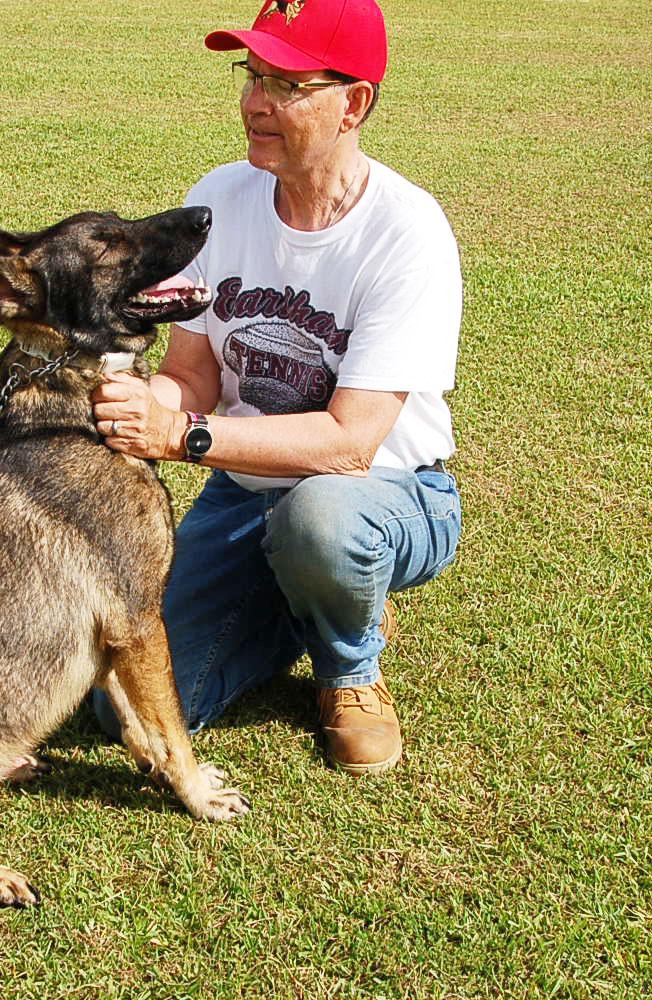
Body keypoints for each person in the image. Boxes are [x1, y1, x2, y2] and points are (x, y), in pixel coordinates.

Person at [90, 0, 462, 774]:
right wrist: (134, 409)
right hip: (244, 490)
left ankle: (349, 665)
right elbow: (191, 374)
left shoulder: (406, 232)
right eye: (251, 75)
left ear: (352, 103)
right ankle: (312, 600)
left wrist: (180, 435)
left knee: (320, 521)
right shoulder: (221, 197)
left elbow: (350, 443)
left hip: (385, 494)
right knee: (127, 701)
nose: (255, 102)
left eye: (286, 85)